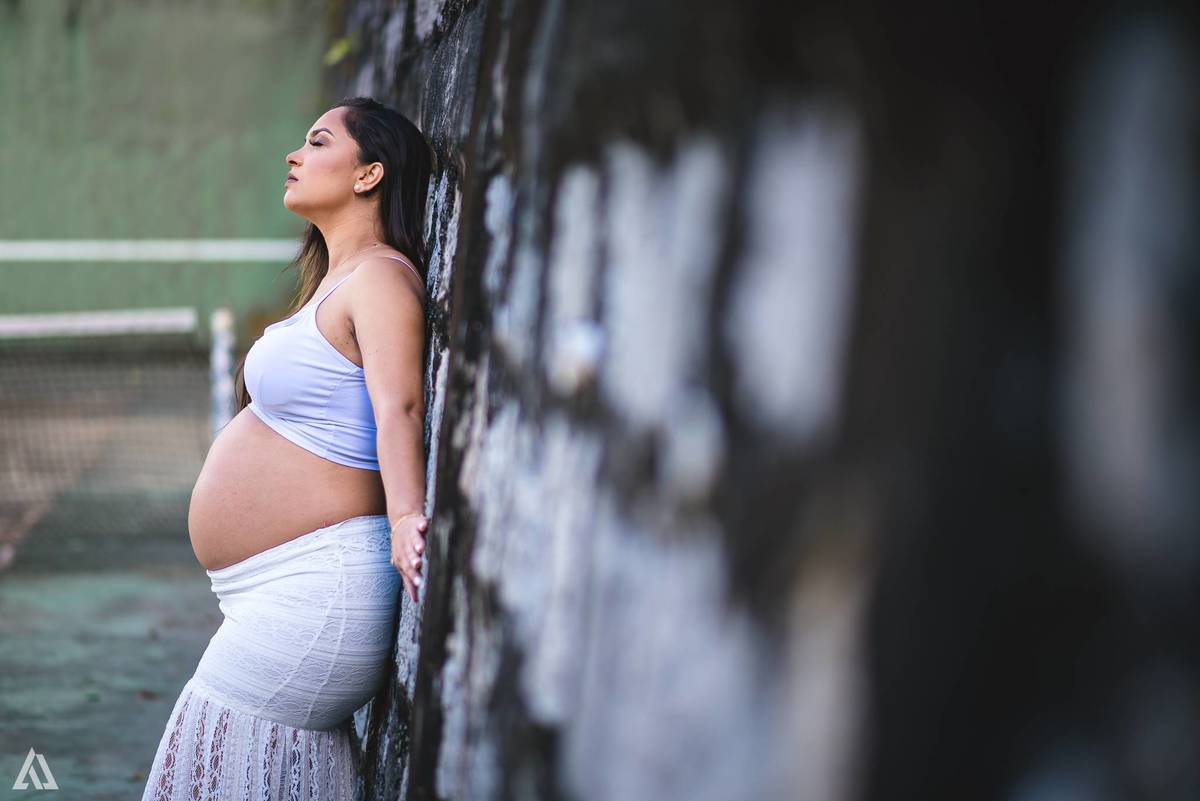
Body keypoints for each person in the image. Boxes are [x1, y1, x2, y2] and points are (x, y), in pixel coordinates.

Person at [141, 96, 435, 800]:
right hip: (281, 590)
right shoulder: (333, 282)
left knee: (203, 768)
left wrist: (405, 519)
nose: (293, 155)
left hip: (322, 588)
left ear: (368, 175)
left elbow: (400, 406)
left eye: (317, 141)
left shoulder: (383, 279)